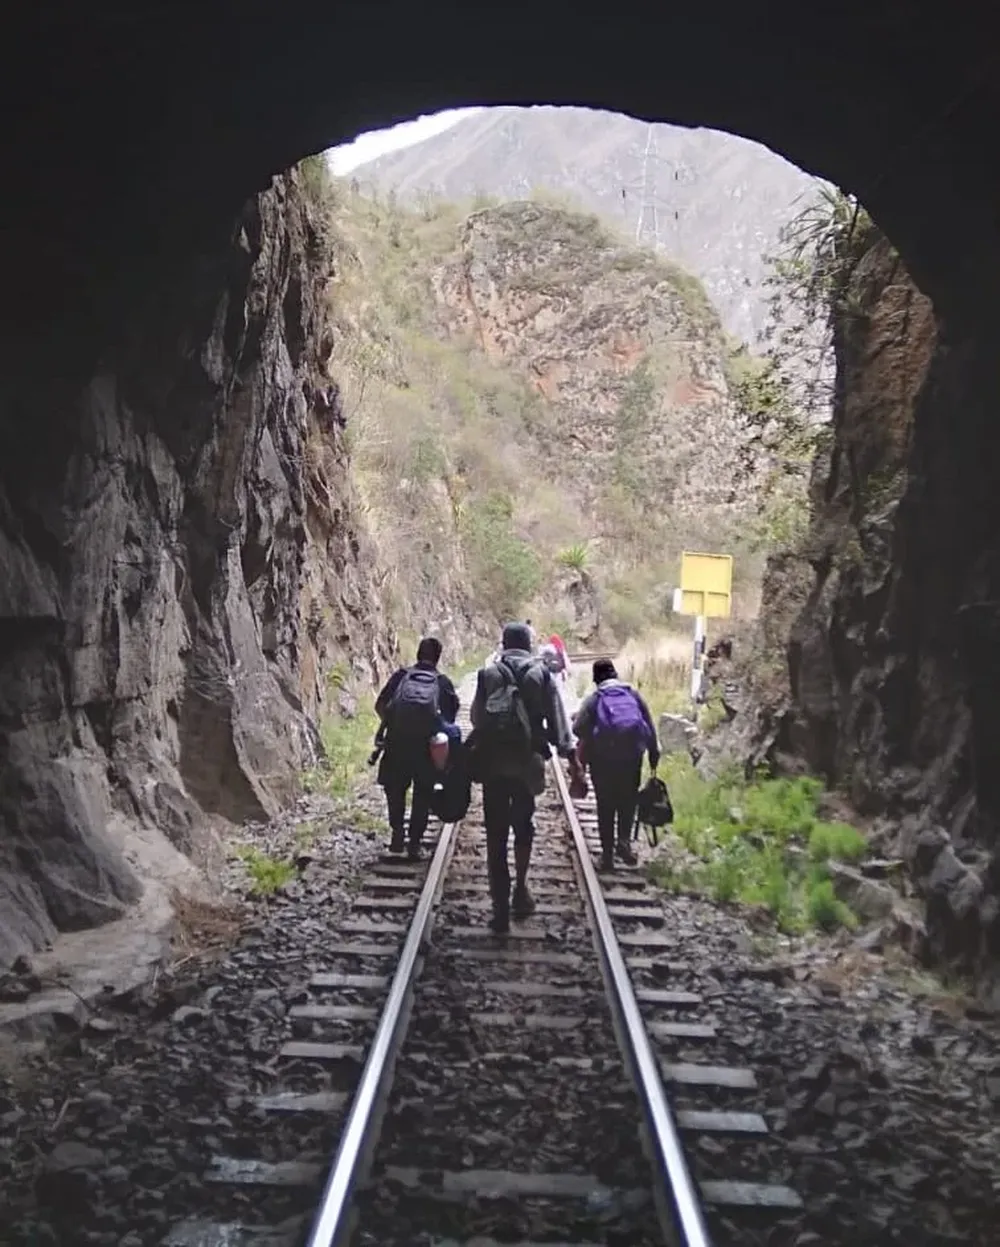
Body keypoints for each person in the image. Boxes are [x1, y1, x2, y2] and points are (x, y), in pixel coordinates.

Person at [469, 622, 578, 933]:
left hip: (493, 764)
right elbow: (559, 723)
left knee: (496, 834)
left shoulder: (488, 674)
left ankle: (499, 907)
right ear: (529, 645)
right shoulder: (541, 674)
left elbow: (477, 717)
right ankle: (521, 888)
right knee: (523, 825)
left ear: (503, 644)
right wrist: (573, 760)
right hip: (527, 763)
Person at [374, 637, 459, 859]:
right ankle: (414, 843)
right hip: (426, 749)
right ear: (438, 657)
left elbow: (380, 704)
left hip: (396, 743)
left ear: (418, 654)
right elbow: (450, 718)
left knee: (395, 790)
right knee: (423, 793)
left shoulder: (401, 677)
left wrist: (395, 723)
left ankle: (397, 836)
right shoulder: (442, 682)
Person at [573, 659, 660, 871]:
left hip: (603, 761)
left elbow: (577, 729)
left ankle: (608, 856)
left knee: (605, 806)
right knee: (628, 801)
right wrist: (653, 754)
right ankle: (624, 843)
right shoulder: (633, 694)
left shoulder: (595, 699)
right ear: (615, 674)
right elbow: (649, 723)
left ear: (596, 679)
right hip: (632, 758)